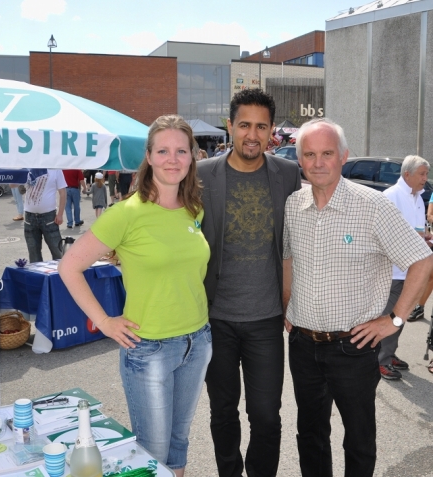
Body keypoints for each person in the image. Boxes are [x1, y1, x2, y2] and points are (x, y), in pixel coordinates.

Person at [58, 115, 212, 477]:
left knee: (178, 443)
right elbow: (70, 267)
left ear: (192, 157)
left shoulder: (194, 209)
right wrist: (104, 322)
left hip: (198, 340)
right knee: (152, 452)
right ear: (149, 156)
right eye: (163, 150)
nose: (172, 159)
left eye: (180, 150)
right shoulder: (126, 213)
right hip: (150, 348)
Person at [282, 118, 433, 477]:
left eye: (327, 153)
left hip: (353, 347)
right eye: (310, 154)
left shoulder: (373, 206)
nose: (318, 162)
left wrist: (394, 319)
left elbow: (422, 261)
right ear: (300, 160)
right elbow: (288, 257)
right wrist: (286, 304)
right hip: (303, 345)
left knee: (359, 438)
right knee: (311, 435)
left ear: (343, 156)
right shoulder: (292, 205)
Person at [197, 88, 301, 477]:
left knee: (267, 417)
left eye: (261, 126)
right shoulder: (203, 175)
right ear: (230, 126)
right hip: (215, 319)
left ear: (272, 131)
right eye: (244, 125)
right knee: (222, 412)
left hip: (267, 320)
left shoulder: (288, 174)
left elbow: (296, 240)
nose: (252, 135)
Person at [379, 155, 431, 380]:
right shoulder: (391, 196)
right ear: (407, 174)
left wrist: (425, 238)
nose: (425, 179)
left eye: (426, 174)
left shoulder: (418, 198)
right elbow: (383, 234)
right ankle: (380, 360)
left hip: (411, 271)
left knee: (401, 317)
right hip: (392, 272)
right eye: (422, 174)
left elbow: (416, 230)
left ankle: (389, 355)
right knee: (388, 317)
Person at [23, 169, 66, 263]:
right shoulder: (28, 167)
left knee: (57, 251)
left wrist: (60, 214)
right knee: (34, 254)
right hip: (30, 217)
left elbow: (62, 193)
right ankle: (37, 277)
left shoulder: (55, 169)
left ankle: (61, 276)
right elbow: (12, 185)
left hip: (49, 216)